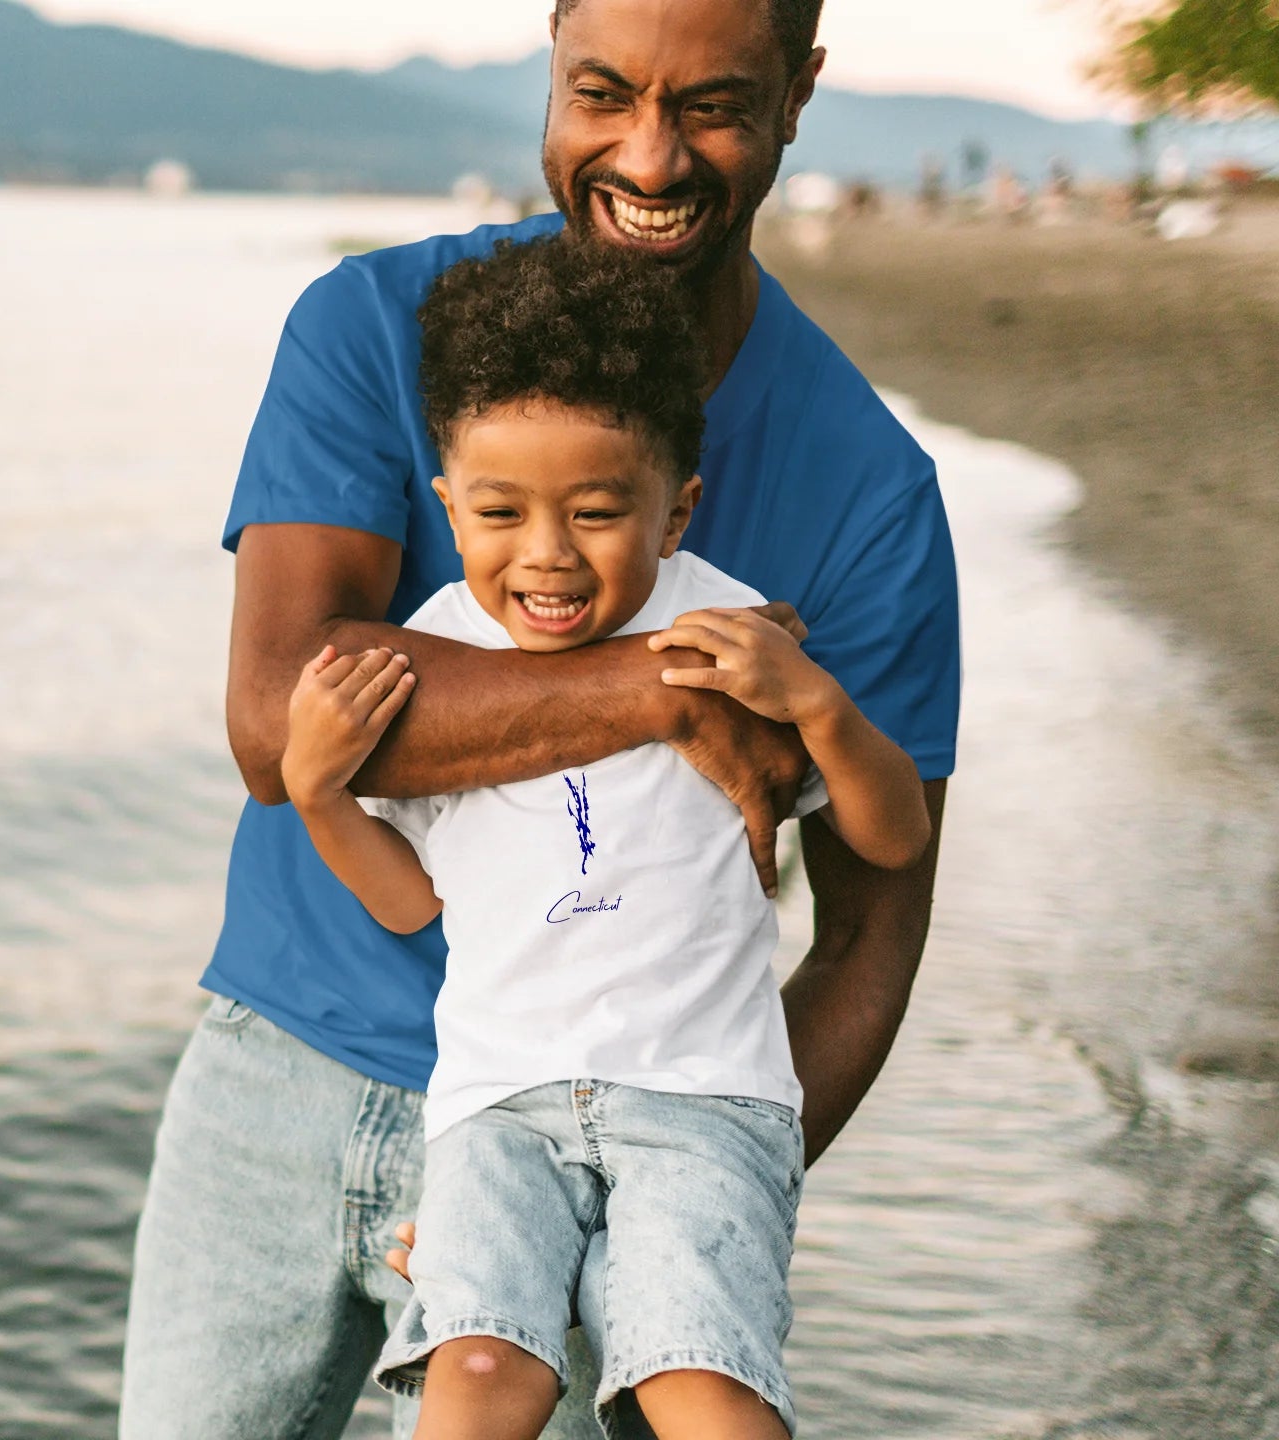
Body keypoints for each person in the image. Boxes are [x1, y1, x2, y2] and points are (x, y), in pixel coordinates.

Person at [118, 1, 961, 1436]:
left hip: (613, 1135)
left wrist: (686, 1199)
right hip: (282, 1074)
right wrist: (660, 691)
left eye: (710, 104)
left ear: (801, 92)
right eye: (602, 92)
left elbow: (874, 923)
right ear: (552, 68)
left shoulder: (870, 488)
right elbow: (278, 725)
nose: (648, 153)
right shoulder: (372, 329)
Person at [280, 236, 932, 1440]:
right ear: (447, 506)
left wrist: (822, 709)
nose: (546, 553)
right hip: (500, 1107)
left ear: (675, 507)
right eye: (499, 512)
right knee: (477, 1378)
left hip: (702, 1097)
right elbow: (410, 903)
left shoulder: (735, 636)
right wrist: (320, 796)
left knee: (700, 1385)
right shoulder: (429, 653)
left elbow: (889, 842)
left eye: (595, 511)